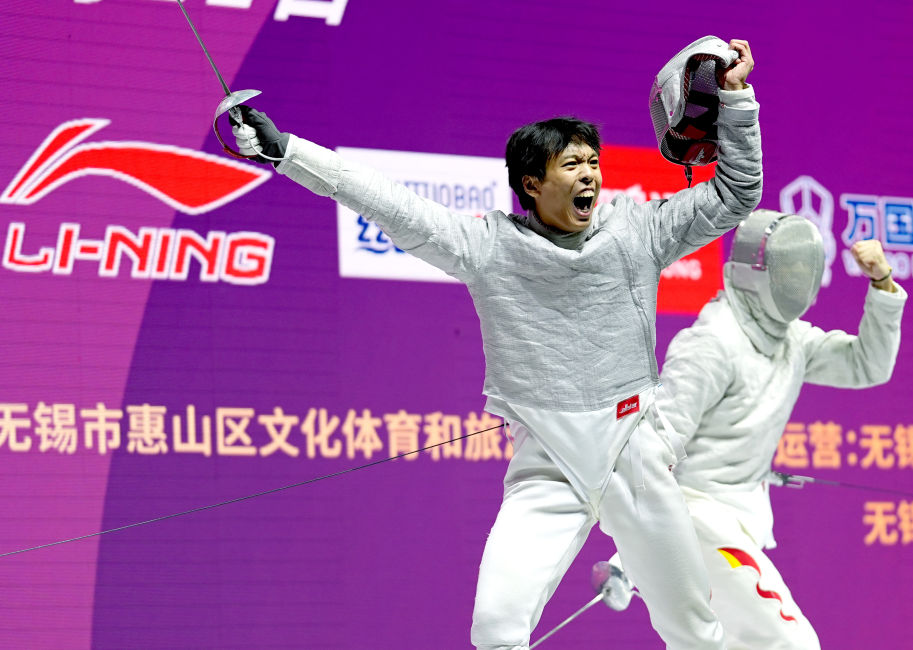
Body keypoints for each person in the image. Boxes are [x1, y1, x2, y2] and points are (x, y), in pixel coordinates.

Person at [230, 37, 760, 650]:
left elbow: (736, 192)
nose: (589, 175)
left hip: (632, 451)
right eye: (572, 165)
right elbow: (387, 201)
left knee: (695, 631)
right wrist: (286, 151)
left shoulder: (638, 231)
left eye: (593, 162)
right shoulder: (487, 248)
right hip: (549, 463)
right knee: (496, 629)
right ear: (532, 183)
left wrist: (736, 101)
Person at [652, 209, 907, 649]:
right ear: (752, 272)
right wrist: (636, 547)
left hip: (737, 522)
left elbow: (868, 364)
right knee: (790, 642)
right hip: (698, 520)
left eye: (800, 271)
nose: (795, 281)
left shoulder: (792, 340)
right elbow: (655, 449)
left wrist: (882, 285)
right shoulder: (711, 344)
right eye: (786, 270)